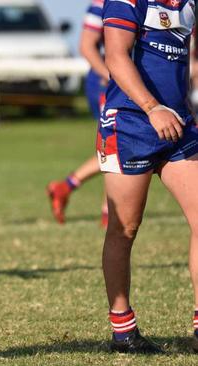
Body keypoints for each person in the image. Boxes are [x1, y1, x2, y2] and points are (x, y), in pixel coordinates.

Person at [99, 0, 197, 353]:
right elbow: (116, 56)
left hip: (180, 125)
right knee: (124, 229)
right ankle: (123, 330)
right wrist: (152, 108)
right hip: (130, 123)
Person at [46, 0, 109, 227]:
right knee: (116, 147)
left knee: (119, 147)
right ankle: (107, 214)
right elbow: (86, 46)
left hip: (125, 83)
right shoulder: (100, 5)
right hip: (106, 84)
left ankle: (66, 188)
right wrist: (111, 75)